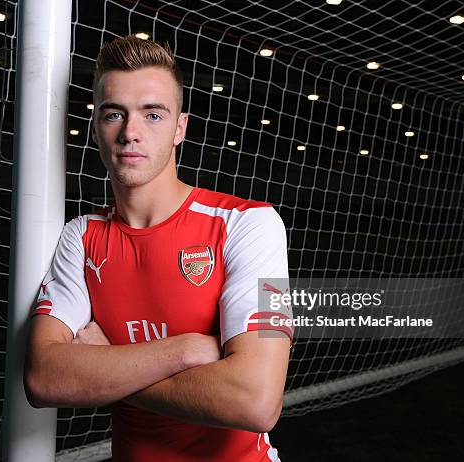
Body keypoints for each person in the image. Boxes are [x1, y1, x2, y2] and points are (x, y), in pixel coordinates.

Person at [24, 35, 293, 461]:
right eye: (115, 114)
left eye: (153, 114)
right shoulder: (81, 237)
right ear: (96, 127)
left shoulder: (249, 225)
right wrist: (187, 350)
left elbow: (255, 402)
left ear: (179, 129)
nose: (131, 133)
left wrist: (109, 364)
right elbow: (44, 378)